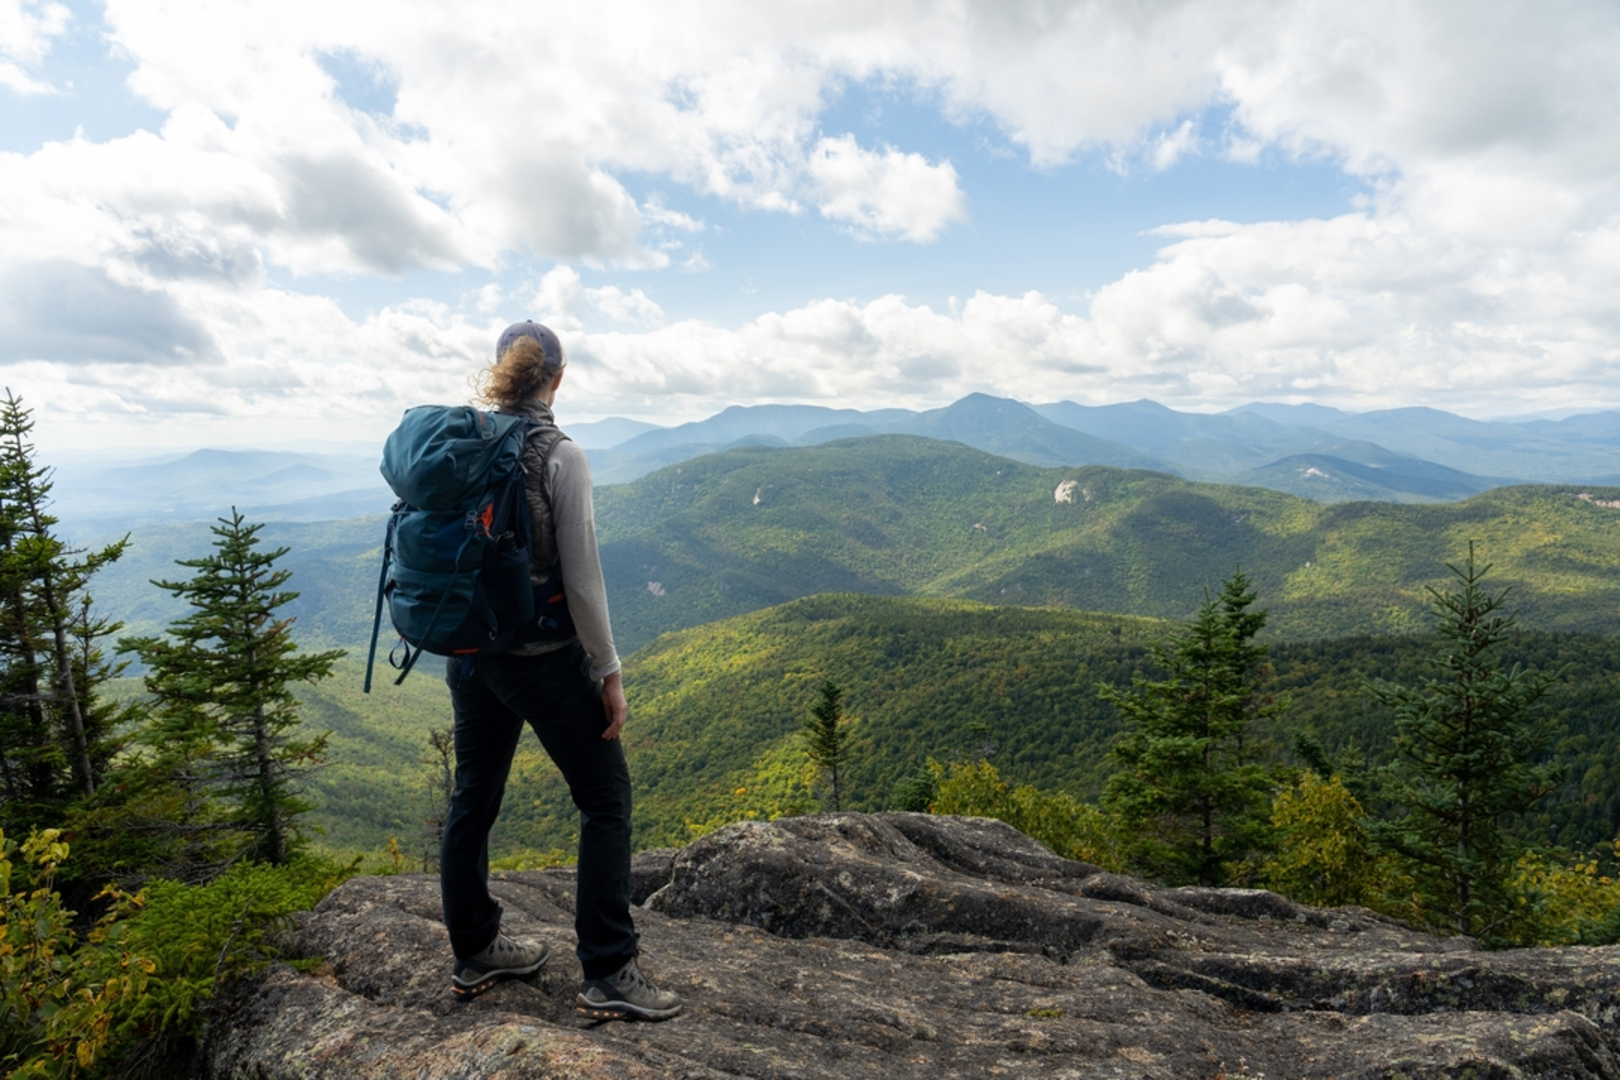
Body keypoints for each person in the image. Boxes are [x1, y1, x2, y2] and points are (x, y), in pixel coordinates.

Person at [438, 320, 681, 1021]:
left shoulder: (465, 444)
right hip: (540, 659)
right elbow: (583, 582)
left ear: (498, 373)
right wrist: (608, 669)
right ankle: (608, 970)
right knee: (605, 801)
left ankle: (476, 948)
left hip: (468, 654)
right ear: (559, 377)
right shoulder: (559, 455)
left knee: (473, 798)